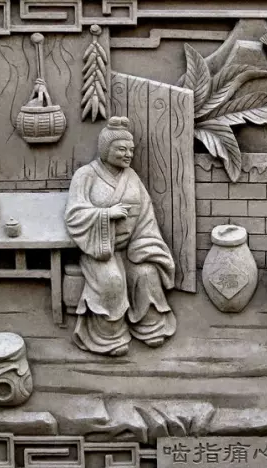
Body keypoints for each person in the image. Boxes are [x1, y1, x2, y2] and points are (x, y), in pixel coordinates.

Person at [65, 116, 176, 356]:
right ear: (106, 149)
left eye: (131, 150)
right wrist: (106, 215)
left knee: (146, 274)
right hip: (99, 249)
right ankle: (109, 337)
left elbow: (146, 216)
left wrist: (143, 246)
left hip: (132, 246)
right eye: (122, 149)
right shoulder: (85, 175)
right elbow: (74, 215)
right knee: (112, 280)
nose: (128, 155)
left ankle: (149, 327)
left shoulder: (132, 176)